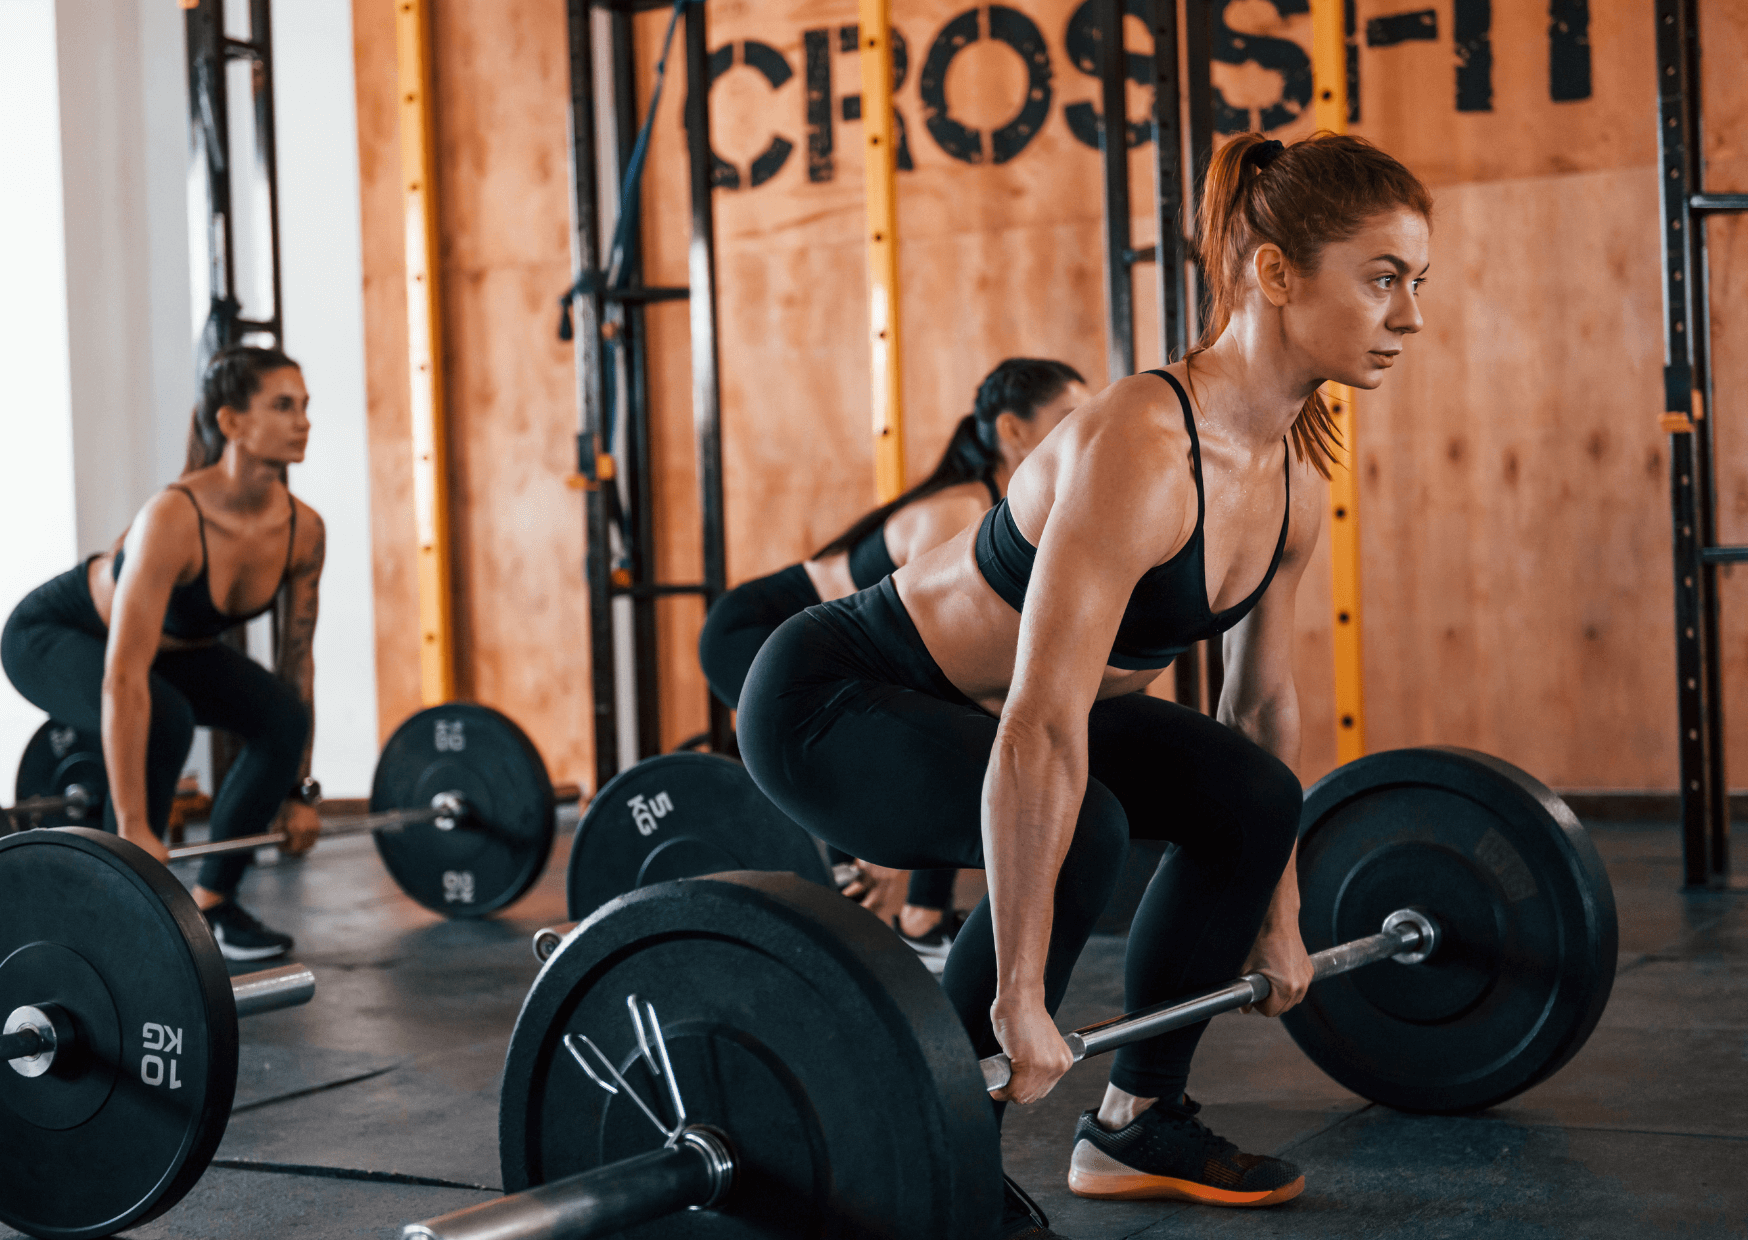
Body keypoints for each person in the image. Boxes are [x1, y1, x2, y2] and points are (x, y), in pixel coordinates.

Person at [737, 132, 1431, 1234]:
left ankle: (1134, 1122)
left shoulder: (1292, 474)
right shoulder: (1143, 444)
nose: (1409, 316)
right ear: (1273, 274)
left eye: (1416, 284)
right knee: (1086, 830)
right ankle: (925, 1158)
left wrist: (1279, 907)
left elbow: (1257, 708)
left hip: (990, 713)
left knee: (1250, 790)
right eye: (1382, 279)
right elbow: (1041, 725)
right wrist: (1017, 990)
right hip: (834, 698)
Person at [698, 359, 1088, 969]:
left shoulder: (1011, 508)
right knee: (911, 745)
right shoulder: (958, 513)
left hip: (833, 654)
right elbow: (927, 675)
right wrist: (874, 837)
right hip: (758, 632)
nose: (1080, 433)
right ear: (1012, 429)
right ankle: (889, 922)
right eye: (1066, 418)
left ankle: (918, 920)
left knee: (950, 734)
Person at [2, 345, 327, 961]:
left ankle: (214, 907)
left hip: (166, 654)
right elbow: (124, 676)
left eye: (305, 406)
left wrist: (297, 793)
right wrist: (133, 827)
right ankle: (101, 919)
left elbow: (298, 663)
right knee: (165, 715)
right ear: (232, 423)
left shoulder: (303, 531)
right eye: (283, 405)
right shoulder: (174, 518)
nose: (303, 420)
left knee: (282, 711)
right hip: (55, 636)